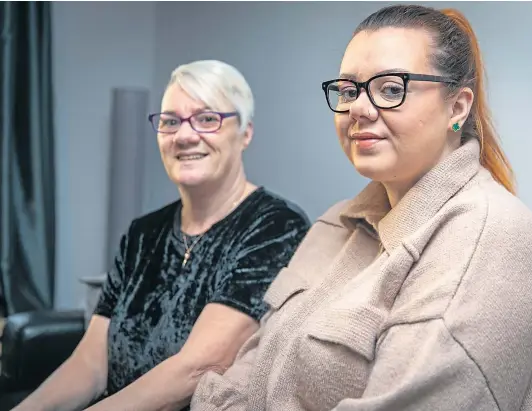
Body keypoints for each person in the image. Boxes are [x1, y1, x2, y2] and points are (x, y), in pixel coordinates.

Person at [191, 5, 532, 411]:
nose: (358, 109)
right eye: (347, 91)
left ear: (458, 107)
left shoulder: (489, 237)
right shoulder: (335, 223)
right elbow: (240, 379)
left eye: (391, 88)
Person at [13, 60, 310, 411]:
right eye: (170, 121)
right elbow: (90, 365)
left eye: (207, 118)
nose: (184, 136)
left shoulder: (276, 226)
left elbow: (196, 369)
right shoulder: (142, 233)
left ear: (245, 133)